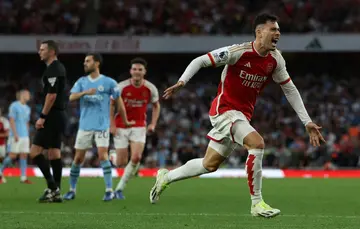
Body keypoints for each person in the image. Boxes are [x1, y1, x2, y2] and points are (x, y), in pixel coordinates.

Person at [149, 13, 326, 218]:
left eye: (279, 30)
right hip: (224, 110)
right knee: (257, 144)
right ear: (259, 32)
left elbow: (290, 90)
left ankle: (165, 177)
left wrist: (307, 121)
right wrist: (182, 82)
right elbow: (200, 61)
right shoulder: (237, 52)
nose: (278, 33)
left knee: (209, 164)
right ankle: (257, 203)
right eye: (273, 29)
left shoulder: (275, 60)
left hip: (241, 115)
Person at [63, 53, 131, 201]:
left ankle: (108, 190)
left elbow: (119, 102)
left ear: (97, 63)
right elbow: (71, 97)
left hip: (102, 125)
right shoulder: (82, 81)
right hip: (85, 126)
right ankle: (72, 190)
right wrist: (85, 93)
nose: (85, 63)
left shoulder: (109, 82)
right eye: (84, 61)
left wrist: (123, 119)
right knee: (78, 158)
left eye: (88, 61)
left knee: (103, 156)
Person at [112, 58, 160, 199]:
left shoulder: (150, 88)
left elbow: (156, 106)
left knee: (136, 157)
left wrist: (153, 123)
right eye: (134, 69)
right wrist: (112, 125)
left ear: (144, 71)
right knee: (121, 163)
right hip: (121, 125)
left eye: (140, 69)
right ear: (130, 71)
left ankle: (119, 189)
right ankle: (113, 155)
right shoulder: (121, 87)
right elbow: (111, 105)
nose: (137, 72)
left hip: (139, 126)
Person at [30, 40, 67, 203]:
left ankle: (53, 187)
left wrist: (42, 117)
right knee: (53, 153)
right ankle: (56, 192)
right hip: (59, 115)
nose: (39, 52)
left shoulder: (53, 69)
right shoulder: (57, 68)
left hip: (51, 116)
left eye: (42, 49)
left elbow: (51, 95)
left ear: (52, 52)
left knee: (35, 152)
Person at [0, 90, 32, 184]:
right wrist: (15, 134)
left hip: (25, 135)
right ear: (22, 95)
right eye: (27, 94)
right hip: (15, 135)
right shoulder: (14, 105)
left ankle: (23, 177)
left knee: (24, 155)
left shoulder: (27, 108)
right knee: (12, 156)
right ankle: (0, 172)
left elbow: (27, 122)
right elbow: (12, 120)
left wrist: (27, 135)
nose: (29, 96)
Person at [0, 108, 9, 183]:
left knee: (2, 160)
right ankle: (1, 177)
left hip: (1, 145)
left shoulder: (4, 121)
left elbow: (7, 134)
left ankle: (1, 175)